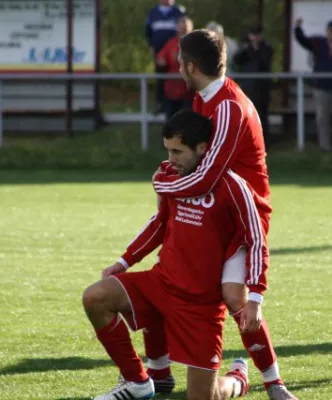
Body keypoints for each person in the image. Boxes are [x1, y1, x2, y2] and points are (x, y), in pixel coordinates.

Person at [149, 29, 296, 400]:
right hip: (213, 211)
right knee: (171, 276)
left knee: (236, 297)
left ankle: (273, 381)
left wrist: (163, 187)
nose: (177, 67)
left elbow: (209, 175)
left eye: (180, 62)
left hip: (244, 216)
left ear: (190, 65)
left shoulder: (229, 106)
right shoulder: (203, 100)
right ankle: (160, 369)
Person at [82, 110, 269, 399]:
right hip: (161, 284)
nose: (171, 158)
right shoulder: (170, 175)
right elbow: (159, 223)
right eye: (168, 150)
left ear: (202, 148)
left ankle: (237, 380)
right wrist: (125, 261)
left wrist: (255, 297)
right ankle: (137, 381)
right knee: (95, 297)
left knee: (205, 395)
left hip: (200, 307)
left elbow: (256, 241)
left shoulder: (232, 186)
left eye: (178, 151)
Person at [294, 18, 332, 151]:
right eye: (331, 30)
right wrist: (297, 28)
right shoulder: (319, 43)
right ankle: (324, 146)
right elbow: (303, 41)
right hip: (322, 88)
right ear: (327, 31)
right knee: (322, 118)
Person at [233, 26, 274, 149]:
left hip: (262, 89)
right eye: (253, 34)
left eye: (258, 34)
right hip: (248, 88)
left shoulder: (267, 48)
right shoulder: (245, 47)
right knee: (247, 116)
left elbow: (265, 62)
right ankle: (247, 142)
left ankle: (263, 142)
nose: (255, 37)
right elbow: (236, 60)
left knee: (262, 116)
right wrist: (247, 48)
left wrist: (257, 49)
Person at [145, 0, 186, 114]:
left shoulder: (179, 11)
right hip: (160, 52)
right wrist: (151, 46)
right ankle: (161, 104)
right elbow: (147, 31)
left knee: (180, 78)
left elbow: (184, 27)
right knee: (161, 78)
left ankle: (182, 104)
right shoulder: (152, 13)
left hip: (176, 51)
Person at [156, 16, 194, 119]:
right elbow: (160, 58)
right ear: (177, 27)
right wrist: (161, 61)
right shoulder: (171, 43)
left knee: (187, 123)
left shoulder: (195, 44)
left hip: (190, 93)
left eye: (186, 26)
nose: (184, 28)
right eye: (182, 26)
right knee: (171, 122)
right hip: (172, 93)